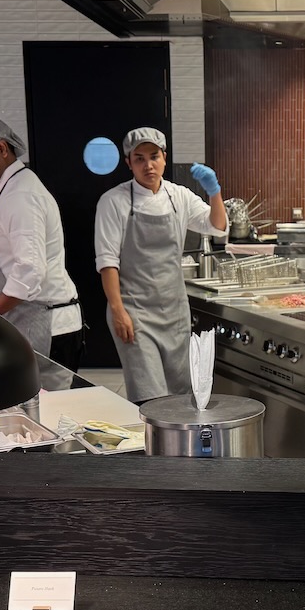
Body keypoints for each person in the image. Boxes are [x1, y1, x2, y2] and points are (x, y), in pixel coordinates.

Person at [93, 127, 227, 403]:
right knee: (150, 397)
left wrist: (214, 192)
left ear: (164, 158)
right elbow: (107, 262)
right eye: (139, 158)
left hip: (175, 312)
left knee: (180, 394)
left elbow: (217, 225)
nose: (148, 165)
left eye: (153, 157)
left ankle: (176, 448)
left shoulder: (180, 196)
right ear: (129, 163)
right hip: (135, 313)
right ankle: (151, 446)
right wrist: (118, 311)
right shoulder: (113, 201)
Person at [0, 112, 84, 377]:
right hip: (34, 322)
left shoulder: (21, 196)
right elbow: (4, 267)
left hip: (48, 326)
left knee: (49, 412)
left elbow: (28, 272)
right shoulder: (9, 189)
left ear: (1, 148)